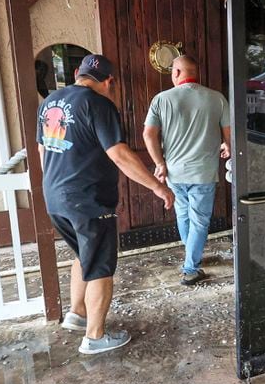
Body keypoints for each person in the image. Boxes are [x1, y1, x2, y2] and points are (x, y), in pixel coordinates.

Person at [37, 54, 174, 355]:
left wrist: (58, 184)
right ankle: (95, 337)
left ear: (77, 73)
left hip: (54, 196)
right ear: (109, 81)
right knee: (100, 265)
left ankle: (77, 313)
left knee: (82, 254)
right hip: (88, 199)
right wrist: (157, 187)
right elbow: (119, 154)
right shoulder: (98, 104)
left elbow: (43, 149)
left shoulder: (50, 102)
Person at [143, 55, 231, 286]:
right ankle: (191, 267)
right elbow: (229, 136)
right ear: (195, 73)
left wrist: (160, 163)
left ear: (177, 72)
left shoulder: (161, 99)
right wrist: (227, 146)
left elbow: (148, 134)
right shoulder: (216, 98)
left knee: (183, 215)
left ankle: (192, 255)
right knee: (200, 221)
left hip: (174, 173)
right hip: (203, 173)